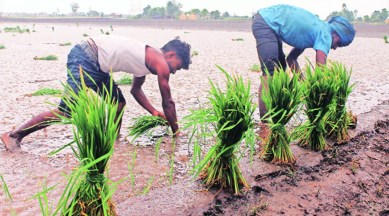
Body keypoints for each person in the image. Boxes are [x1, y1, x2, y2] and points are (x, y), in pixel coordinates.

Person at [1, 35, 191, 151]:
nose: (175, 71)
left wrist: (153, 112)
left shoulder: (148, 62)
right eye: (178, 67)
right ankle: (14, 135)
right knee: (67, 110)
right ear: (171, 55)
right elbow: (169, 102)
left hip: (98, 64)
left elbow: (136, 90)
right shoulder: (160, 62)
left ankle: (112, 140)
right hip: (86, 56)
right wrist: (177, 133)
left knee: (118, 103)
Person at [251, 4, 356, 136]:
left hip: (269, 22)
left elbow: (291, 59)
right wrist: (324, 99)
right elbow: (321, 75)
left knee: (280, 71)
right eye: (338, 44)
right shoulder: (325, 34)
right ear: (336, 34)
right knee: (270, 71)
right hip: (266, 22)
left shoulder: (313, 33)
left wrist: (304, 84)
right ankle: (265, 125)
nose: (335, 48)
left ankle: (273, 115)